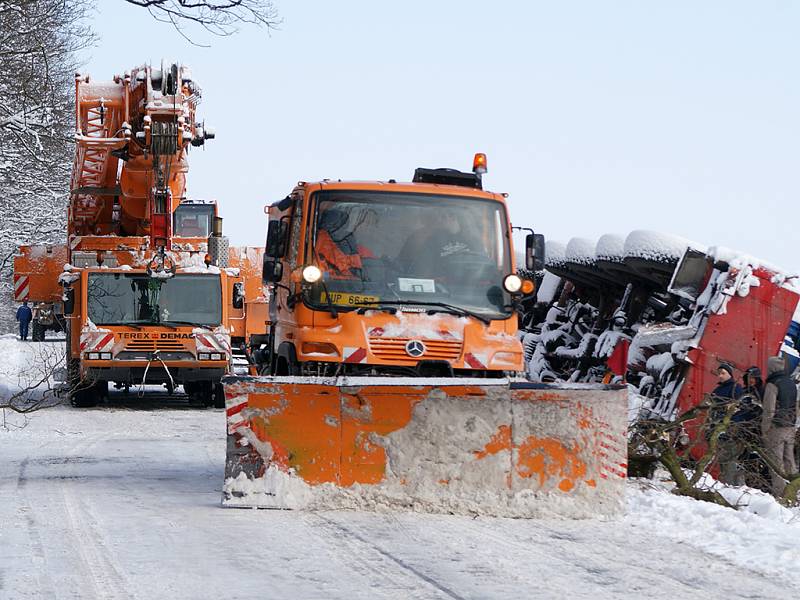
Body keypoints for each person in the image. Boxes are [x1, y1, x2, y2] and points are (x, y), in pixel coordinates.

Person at [761, 356, 798, 498]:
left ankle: (781, 494)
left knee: (776, 462)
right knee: (790, 460)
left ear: (771, 368)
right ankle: (794, 491)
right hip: (790, 426)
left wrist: (765, 429)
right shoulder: (791, 383)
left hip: (776, 427)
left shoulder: (773, 384)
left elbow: (768, 409)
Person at [314, 207, 375, 279]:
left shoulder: (360, 249)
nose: (369, 228)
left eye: (372, 224)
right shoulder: (319, 241)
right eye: (367, 223)